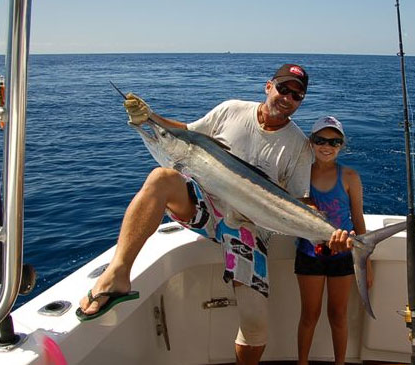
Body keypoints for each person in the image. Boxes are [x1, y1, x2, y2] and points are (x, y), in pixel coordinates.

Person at [77, 64, 352, 365]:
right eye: (283, 89)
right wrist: (150, 118)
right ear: (268, 86)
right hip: (205, 206)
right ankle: (117, 275)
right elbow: (187, 134)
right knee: (160, 178)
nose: (288, 97)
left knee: (255, 322)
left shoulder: (299, 145)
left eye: (297, 95)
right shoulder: (231, 110)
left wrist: (330, 231)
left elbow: (301, 200)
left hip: (249, 226)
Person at [295, 116, 372, 365]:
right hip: (309, 254)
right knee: (309, 315)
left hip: (344, 256)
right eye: (320, 140)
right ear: (310, 142)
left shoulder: (350, 176)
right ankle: (302, 362)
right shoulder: (299, 175)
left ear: (342, 146)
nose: (327, 146)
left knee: (338, 315)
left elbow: (358, 221)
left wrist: (366, 263)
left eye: (334, 142)